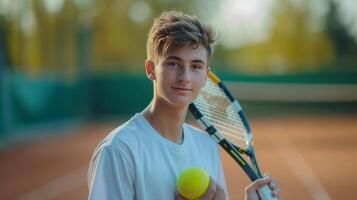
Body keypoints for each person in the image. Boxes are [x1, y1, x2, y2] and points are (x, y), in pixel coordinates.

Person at [87, 10, 280, 200]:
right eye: (173, 63)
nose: (185, 77)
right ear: (151, 69)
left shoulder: (207, 146)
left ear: (205, 75)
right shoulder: (119, 150)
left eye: (196, 66)